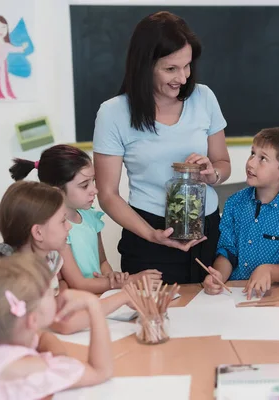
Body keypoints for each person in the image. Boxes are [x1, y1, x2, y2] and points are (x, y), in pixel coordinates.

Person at [93, 11, 231, 284]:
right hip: (149, 236)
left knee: (212, 316)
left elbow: (223, 164)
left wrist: (212, 174)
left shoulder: (204, 97)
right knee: (155, 318)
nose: (182, 77)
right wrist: (151, 234)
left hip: (208, 231)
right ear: (145, 65)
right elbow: (107, 194)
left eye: (187, 66)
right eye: (170, 69)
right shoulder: (113, 113)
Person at [9, 144, 162, 293]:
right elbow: (78, 283)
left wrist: (112, 276)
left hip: (98, 297)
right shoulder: (56, 230)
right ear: (57, 192)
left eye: (93, 181)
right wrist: (132, 281)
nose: (94, 190)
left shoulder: (90, 217)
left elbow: (102, 263)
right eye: (84, 185)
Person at [0, 181, 132, 334]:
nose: (69, 226)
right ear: (38, 233)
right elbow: (65, 325)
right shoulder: (21, 278)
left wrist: (59, 299)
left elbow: (60, 282)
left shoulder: (49, 258)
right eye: (62, 221)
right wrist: (123, 297)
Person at [0, 253, 113, 398]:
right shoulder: (29, 368)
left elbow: (41, 336)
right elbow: (100, 371)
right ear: (33, 320)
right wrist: (93, 305)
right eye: (51, 292)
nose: (57, 294)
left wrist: (59, 359)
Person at [202, 127, 279, 299]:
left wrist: (267, 270)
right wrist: (218, 275)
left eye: (263, 158)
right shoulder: (234, 203)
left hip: (275, 296)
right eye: (252, 153)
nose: (251, 163)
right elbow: (227, 251)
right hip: (233, 294)